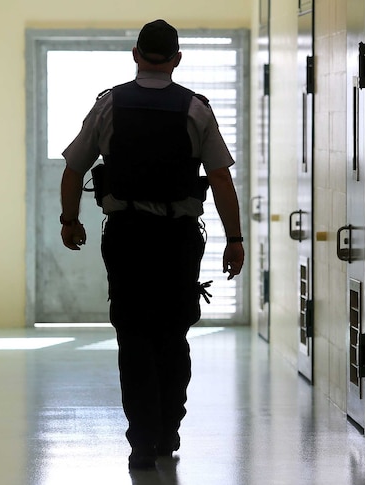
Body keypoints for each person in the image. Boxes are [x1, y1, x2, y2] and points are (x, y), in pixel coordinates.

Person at [59, 19, 244, 470]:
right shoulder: (195, 109)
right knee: (172, 334)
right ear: (177, 59)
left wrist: (70, 220)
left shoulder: (109, 106)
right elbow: (219, 177)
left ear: (136, 54)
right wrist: (235, 239)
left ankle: (142, 440)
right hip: (178, 242)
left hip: (126, 237)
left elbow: (73, 167)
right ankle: (168, 430)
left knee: (133, 336)